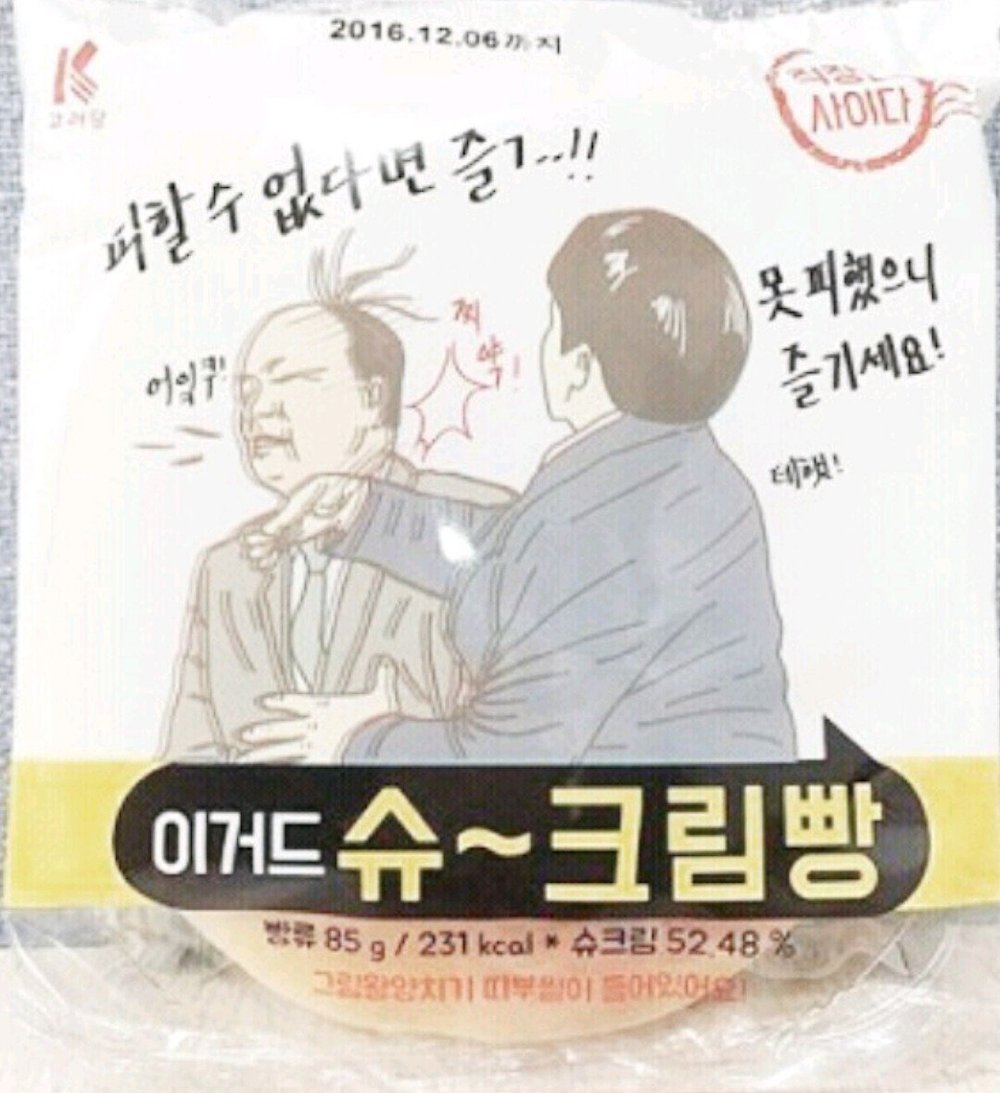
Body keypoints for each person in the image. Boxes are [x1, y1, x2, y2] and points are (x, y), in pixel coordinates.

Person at [241, 210, 797, 765]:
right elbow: (513, 558)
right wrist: (363, 511)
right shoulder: (683, 472)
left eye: (553, 328)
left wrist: (356, 740)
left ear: (581, 366)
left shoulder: (592, 516)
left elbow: (505, 758)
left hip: (638, 811)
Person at [160, 239, 513, 761]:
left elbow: (540, 720)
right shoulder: (228, 570)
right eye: (247, 391)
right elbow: (184, 764)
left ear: (372, 398)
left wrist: (396, 735)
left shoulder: (484, 524)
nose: (258, 411)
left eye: (287, 381)